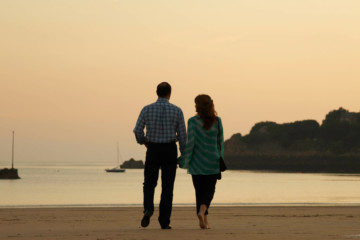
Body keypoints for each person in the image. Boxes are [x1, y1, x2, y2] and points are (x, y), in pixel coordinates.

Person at [133, 82, 186, 229]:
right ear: (170, 93)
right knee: (168, 187)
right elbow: (182, 136)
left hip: (153, 149)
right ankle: (164, 221)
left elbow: (137, 130)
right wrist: (183, 154)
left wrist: (144, 141)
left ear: (156, 92)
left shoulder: (147, 109)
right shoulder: (177, 111)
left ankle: (148, 208)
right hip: (170, 149)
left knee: (149, 182)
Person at [178, 94, 224, 229]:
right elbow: (220, 142)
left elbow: (190, 143)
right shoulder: (218, 121)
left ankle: (202, 217)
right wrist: (220, 158)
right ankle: (203, 215)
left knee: (199, 191)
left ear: (198, 106)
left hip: (197, 163)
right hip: (213, 161)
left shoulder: (192, 121)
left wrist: (183, 159)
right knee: (209, 191)